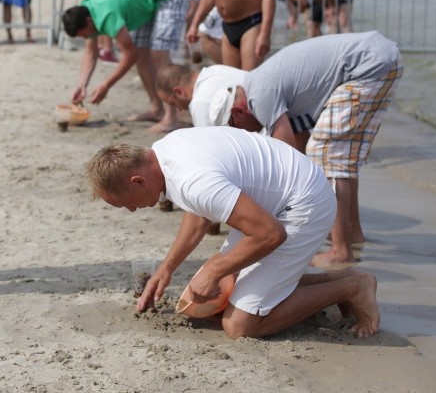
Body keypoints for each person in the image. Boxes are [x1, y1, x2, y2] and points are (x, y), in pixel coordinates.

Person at [87, 128, 381, 339]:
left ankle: (351, 289)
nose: (130, 211)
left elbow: (270, 235)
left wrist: (215, 269)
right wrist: (167, 268)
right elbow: (200, 212)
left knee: (239, 326)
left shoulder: (192, 179)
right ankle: (343, 279)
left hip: (304, 203)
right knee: (218, 301)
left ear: (137, 181)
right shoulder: (164, 151)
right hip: (271, 205)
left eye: (124, 203)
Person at [207, 31, 403, 269]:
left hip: (367, 64)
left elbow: (287, 156)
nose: (245, 134)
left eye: (237, 129)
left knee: (326, 153)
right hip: (378, 57)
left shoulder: (258, 96)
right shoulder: (261, 86)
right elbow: (299, 143)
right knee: (341, 158)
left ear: (237, 112)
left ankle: (341, 251)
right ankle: (352, 235)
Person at [62, 0, 189, 133]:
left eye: (83, 35)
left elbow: (130, 54)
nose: (85, 39)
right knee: (143, 56)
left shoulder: (106, 14)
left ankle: (171, 119)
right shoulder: (87, 10)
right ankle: (156, 109)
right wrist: (82, 85)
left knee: (159, 54)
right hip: (148, 0)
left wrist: (106, 85)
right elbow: (90, 53)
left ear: (88, 22)